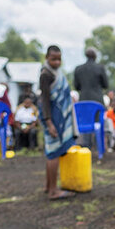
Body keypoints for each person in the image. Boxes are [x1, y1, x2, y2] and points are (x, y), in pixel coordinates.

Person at [39, 45, 76, 200]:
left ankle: (48, 186)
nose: (56, 62)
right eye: (53, 59)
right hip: (52, 116)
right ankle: (54, 190)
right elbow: (45, 100)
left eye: (59, 59)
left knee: (51, 152)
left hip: (57, 116)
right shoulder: (46, 74)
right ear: (47, 58)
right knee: (54, 152)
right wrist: (49, 123)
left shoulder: (56, 72)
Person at [73, 47, 109, 150]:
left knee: (85, 123)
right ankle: (99, 147)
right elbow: (105, 84)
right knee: (98, 124)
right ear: (95, 56)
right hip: (97, 101)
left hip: (83, 101)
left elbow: (76, 86)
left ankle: (86, 147)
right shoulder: (100, 68)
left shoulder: (78, 69)